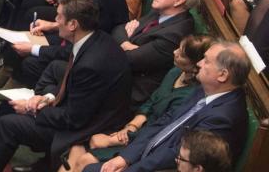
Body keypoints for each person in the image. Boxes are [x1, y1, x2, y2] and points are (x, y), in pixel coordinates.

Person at [0, 0, 132, 172]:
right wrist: (46, 97)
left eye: (59, 16)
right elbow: (73, 91)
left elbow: (74, 119)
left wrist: (34, 109)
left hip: (86, 129)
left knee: (8, 125)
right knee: (10, 105)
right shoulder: (93, 38)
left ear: (73, 24)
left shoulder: (91, 64)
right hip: (79, 111)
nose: (55, 20)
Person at [83, 41, 250, 172]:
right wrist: (126, 158)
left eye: (206, 61)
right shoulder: (205, 90)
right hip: (148, 156)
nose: (199, 63)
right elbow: (165, 122)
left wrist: (132, 168)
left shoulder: (224, 118)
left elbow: (178, 156)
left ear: (222, 75)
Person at [63, 34, 213, 170]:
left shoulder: (191, 96)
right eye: (178, 48)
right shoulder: (175, 71)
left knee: (85, 160)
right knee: (77, 147)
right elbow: (152, 101)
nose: (174, 52)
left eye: (181, 54)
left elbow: (161, 127)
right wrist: (131, 126)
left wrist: (118, 139)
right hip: (136, 126)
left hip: (146, 143)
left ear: (196, 65)